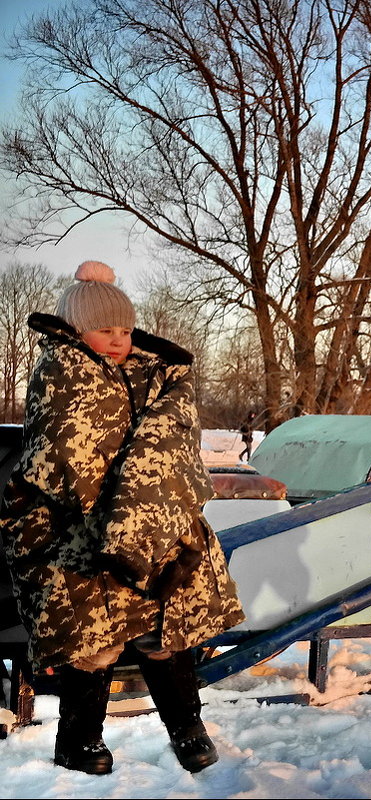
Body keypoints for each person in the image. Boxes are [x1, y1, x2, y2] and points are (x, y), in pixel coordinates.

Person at [0, 261, 244, 775]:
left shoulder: (156, 375)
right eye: (104, 329)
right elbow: (65, 452)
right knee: (94, 643)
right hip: (77, 528)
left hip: (152, 524)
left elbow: (173, 443)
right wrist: (120, 519)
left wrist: (146, 515)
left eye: (126, 330)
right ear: (75, 329)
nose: (118, 339)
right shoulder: (59, 372)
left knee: (165, 631)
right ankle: (79, 741)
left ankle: (187, 729)